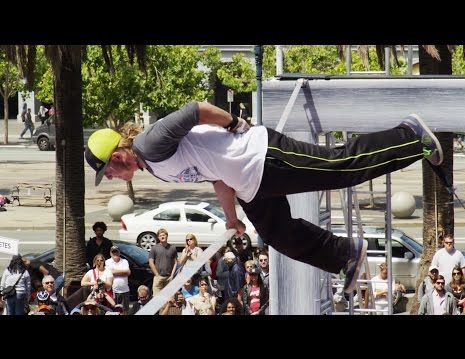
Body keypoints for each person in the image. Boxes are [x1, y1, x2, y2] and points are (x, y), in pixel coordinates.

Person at [85, 101, 443, 294]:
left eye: (109, 172)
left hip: (262, 156)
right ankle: (345, 254)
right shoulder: (154, 165)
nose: (113, 178)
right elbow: (215, 178)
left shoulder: (150, 142)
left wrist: (233, 125)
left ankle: (411, 136)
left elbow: (194, 109)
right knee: (276, 234)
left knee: (339, 167)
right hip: (249, 186)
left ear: (117, 156)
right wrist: (230, 217)